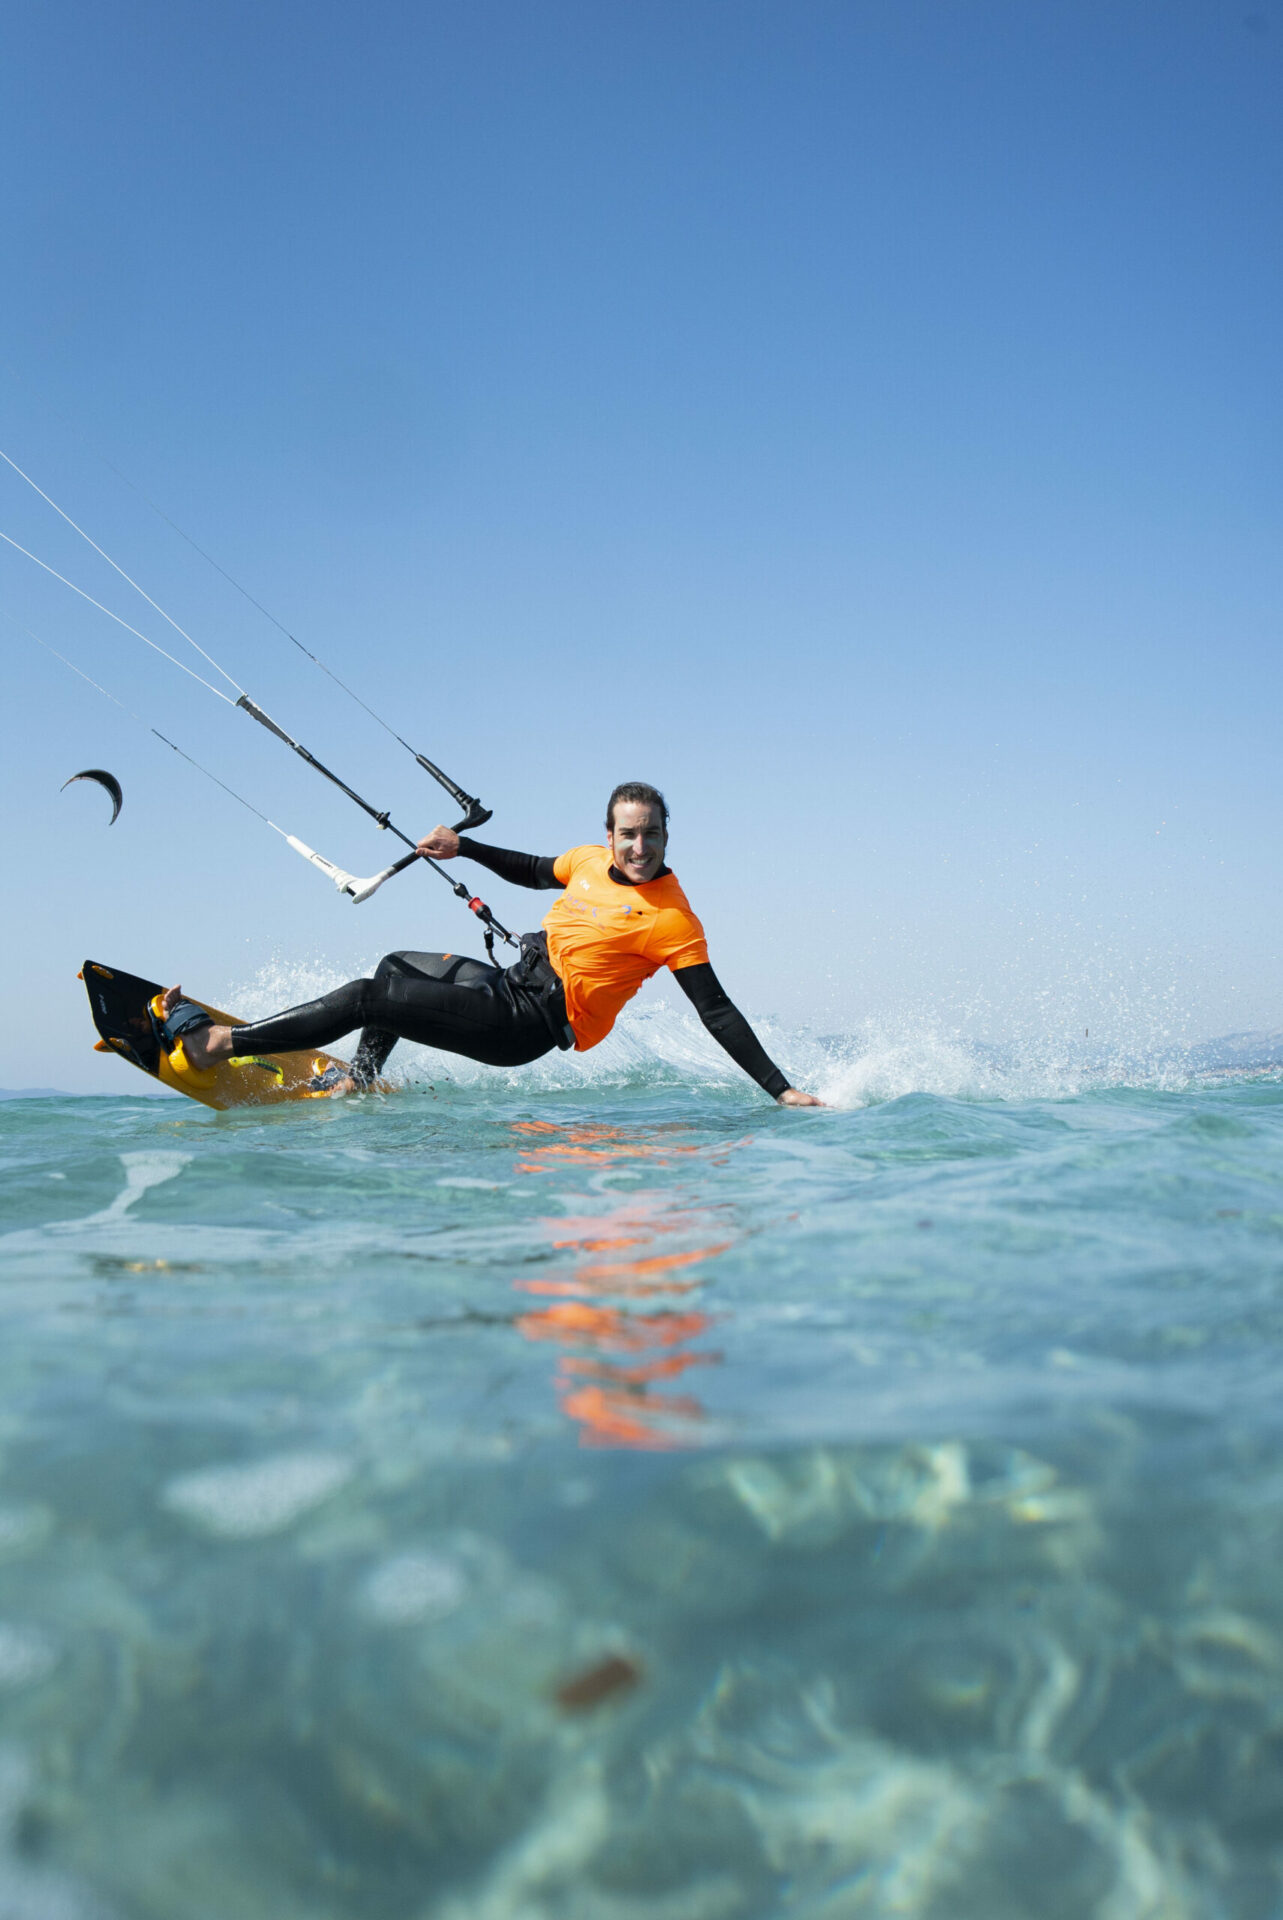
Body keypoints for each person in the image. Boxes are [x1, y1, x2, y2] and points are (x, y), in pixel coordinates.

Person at [157, 782, 822, 1106]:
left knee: (368, 998)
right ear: (610, 835)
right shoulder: (589, 860)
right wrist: (464, 847)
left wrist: (779, 1089)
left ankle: (214, 1045)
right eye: (628, 834)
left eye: (651, 835)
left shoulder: (673, 920)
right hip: (509, 981)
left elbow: (716, 1011)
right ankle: (361, 1081)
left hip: (526, 1024)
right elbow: (535, 870)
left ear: (667, 837)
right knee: (391, 967)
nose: (639, 847)